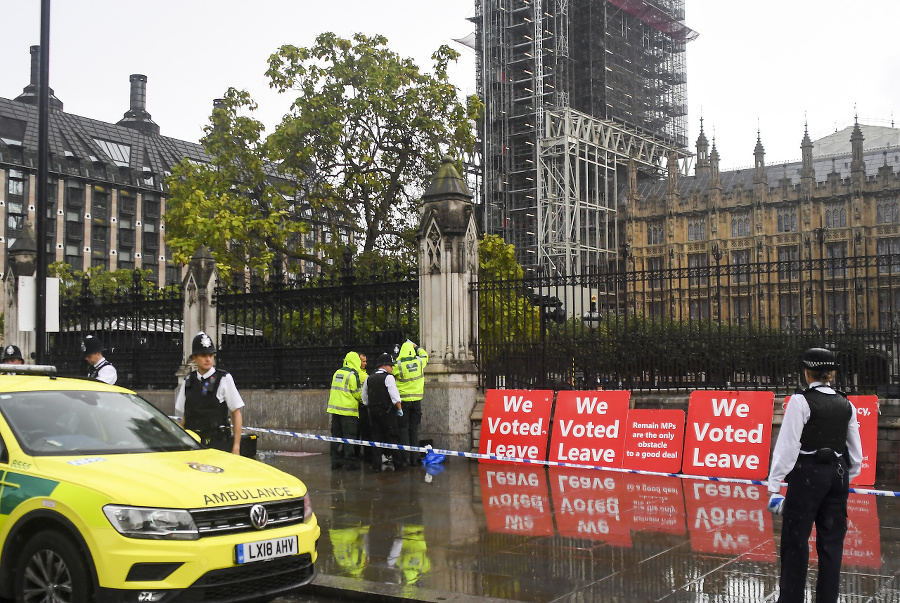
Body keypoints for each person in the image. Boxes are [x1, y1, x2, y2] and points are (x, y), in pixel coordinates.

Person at [766, 347, 863, 603]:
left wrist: (774, 484)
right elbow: (856, 451)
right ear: (831, 374)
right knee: (832, 544)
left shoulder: (800, 401)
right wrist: (845, 477)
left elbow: (788, 447)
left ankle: (791, 599)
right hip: (837, 473)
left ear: (807, 372)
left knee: (795, 542)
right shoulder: (846, 403)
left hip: (807, 473)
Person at [175, 332, 245, 454]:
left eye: (211, 355)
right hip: (193, 444)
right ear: (194, 358)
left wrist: (236, 447)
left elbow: (236, 413)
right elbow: (186, 416)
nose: (208, 359)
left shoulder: (224, 378)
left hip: (217, 443)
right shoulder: (188, 380)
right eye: (203, 355)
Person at [361, 353, 406, 472]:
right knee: (393, 438)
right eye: (391, 366)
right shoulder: (389, 377)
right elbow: (395, 397)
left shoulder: (369, 378)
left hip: (373, 412)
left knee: (376, 439)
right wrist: (400, 410)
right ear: (385, 366)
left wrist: (370, 405)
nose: (392, 368)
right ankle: (398, 464)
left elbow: (364, 397)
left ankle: (376, 466)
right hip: (387, 412)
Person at [327, 351, 366, 470]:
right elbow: (357, 393)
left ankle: (335, 461)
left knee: (336, 437)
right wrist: (364, 399)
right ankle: (350, 462)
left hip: (335, 410)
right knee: (349, 437)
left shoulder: (337, 372)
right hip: (348, 411)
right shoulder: (353, 375)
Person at [394, 340, 428, 465]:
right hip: (417, 401)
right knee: (414, 429)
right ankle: (414, 458)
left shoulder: (398, 365)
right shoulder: (419, 362)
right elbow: (425, 355)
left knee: (403, 429)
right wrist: (417, 347)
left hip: (403, 402)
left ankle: (405, 458)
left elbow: (391, 373)